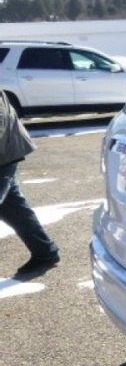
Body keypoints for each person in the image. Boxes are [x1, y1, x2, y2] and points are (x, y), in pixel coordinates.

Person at [0, 91, 60, 275]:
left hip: (4, 153)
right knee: (14, 208)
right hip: (6, 151)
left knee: (13, 207)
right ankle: (45, 252)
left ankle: (45, 252)